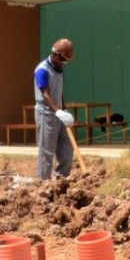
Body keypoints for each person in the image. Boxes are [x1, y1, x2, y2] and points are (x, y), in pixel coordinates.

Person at [35, 38, 77, 180]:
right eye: (64, 59)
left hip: (59, 114)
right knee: (46, 152)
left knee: (67, 151)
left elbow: (59, 92)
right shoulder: (42, 70)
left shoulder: (59, 69)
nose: (65, 62)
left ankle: (59, 180)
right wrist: (57, 111)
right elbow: (45, 94)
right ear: (56, 54)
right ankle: (43, 183)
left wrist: (64, 110)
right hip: (46, 114)